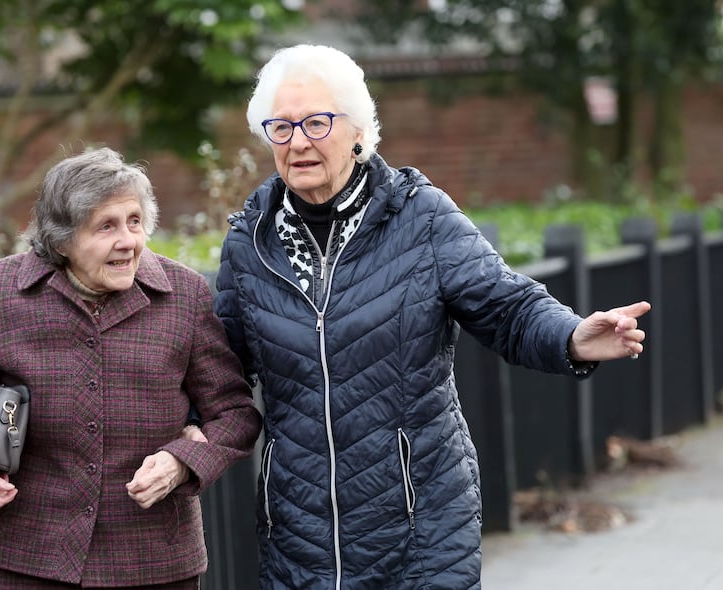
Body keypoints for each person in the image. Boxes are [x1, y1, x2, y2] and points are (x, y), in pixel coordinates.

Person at [213, 44, 651, 590]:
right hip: (299, 540)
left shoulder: (419, 217)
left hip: (420, 533)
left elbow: (506, 306)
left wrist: (570, 337)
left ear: (358, 131)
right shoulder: (249, 244)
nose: (298, 141)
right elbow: (218, 371)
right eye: (281, 127)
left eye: (317, 123)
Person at [0, 147, 262, 589]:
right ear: (61, 239)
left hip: (151, 562)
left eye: (135, 221)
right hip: (21, 559)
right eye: (107, 226)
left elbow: (234, 413)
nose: (129, 241)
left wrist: (183, 461)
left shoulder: (184, 296)